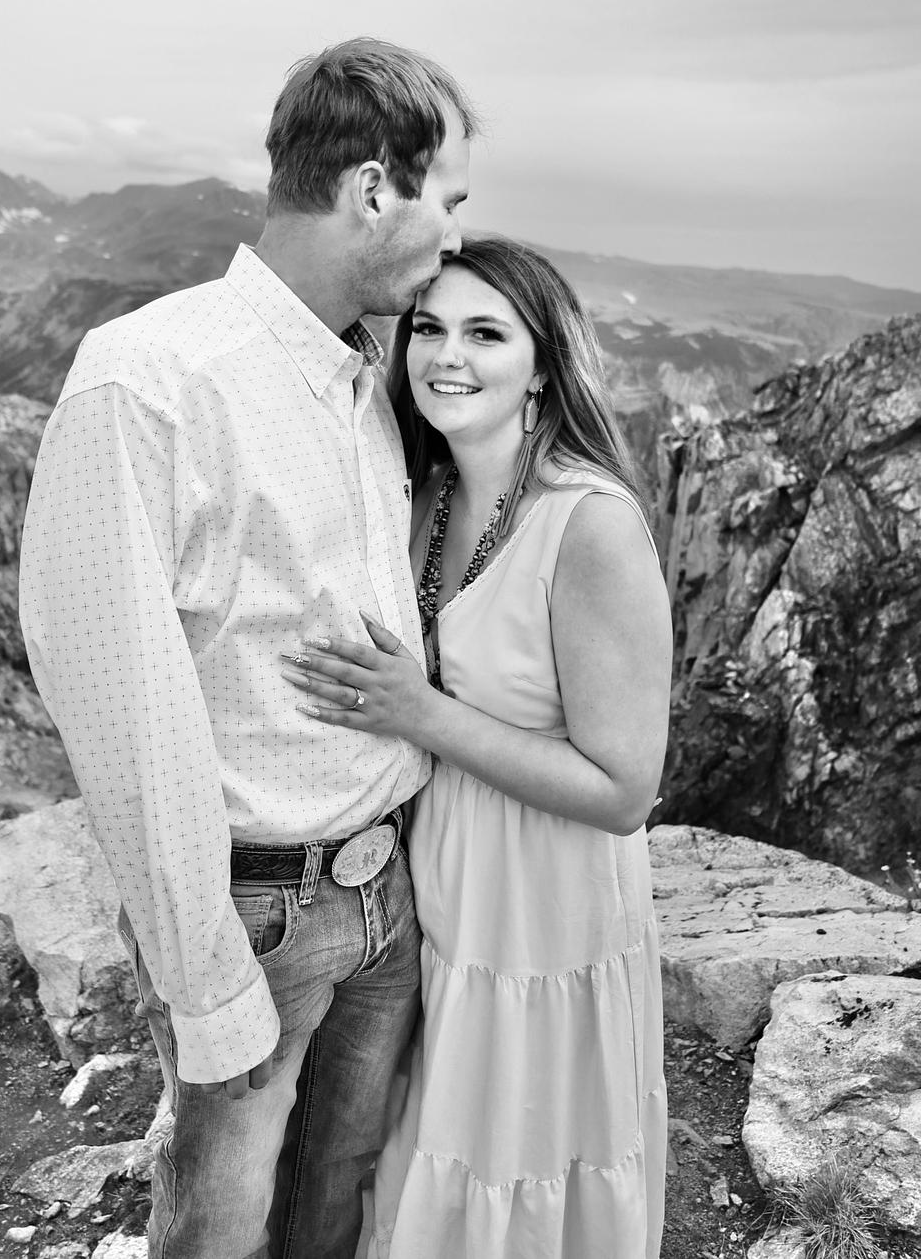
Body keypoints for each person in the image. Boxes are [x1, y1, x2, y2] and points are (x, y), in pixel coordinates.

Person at [18, 37, 479, 1259]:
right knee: (223, 1218)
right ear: (373, 189)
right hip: (255, 908)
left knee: (335, 1197)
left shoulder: (363, 373)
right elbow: (119, 704)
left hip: (385, 886)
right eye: (447, 200)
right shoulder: (151, 378)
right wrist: (205, 977)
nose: (453, 235)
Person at [280, 236, 672, 1258]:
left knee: (517, 1149)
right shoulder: (423, 497)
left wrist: (419, 714)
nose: (447, 356)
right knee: (430, 1139)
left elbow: (625, 788)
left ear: (542, 367)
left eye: (486, 334)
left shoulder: (589, 526)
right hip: (433, 885)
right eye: (429, 328)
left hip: (544, 904)